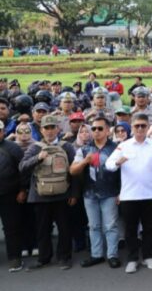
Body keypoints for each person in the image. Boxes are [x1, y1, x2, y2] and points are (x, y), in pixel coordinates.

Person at [19, 114, 79, 270]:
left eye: (53, 127)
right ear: (41, 129)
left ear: (58, 129)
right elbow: (22, 167)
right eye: (47, 128)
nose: (50, 131)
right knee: (42, 229)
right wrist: (37, 158)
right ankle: (43, 258)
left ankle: (64, 257)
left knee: (65, 228)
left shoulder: (67, 147)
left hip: (63, 194)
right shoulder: (35, 147)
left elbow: (75, 171)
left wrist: (74, 193)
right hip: (40, 195)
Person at [105, 113, 152, 273]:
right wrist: (118, 162)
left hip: (150, 194)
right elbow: (109, 164)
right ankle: (132, 258)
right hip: (129, 195)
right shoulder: (125, 145)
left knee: (150, 228)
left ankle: (148, 256)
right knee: (131, 229)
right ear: (132, 127)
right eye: (137, 126)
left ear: (148, 126)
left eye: (143, 125)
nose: (140, 129)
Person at [70, 115, 122, 268]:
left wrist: (121, 192)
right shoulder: (84, 149)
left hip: (110, 192)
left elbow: (124, 173)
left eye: (100, 128)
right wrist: (85, 161)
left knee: (111, 225)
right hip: (90, 193)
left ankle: (112, 255)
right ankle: (96, 254)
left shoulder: (116, 148)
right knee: (93, 225)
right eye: (93, 128)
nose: (96, 131)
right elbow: (72, 170)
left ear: (107, 130)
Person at [0, 120, 26, 271]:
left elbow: (23, 171)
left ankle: (15, 258)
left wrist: (23, 190)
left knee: (11, 228)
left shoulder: (13, 148)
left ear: (3, 132)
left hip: (10, 194)